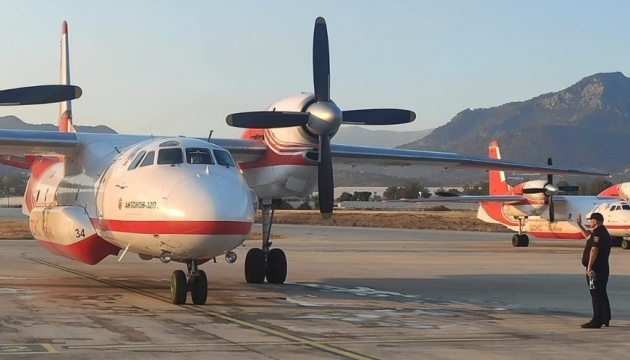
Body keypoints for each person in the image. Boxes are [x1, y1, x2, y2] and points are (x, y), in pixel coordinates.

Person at [576, 212, 612, 328]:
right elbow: (588, 237)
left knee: (595, 294)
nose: (589, 222)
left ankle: (597, 320)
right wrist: (580, 226)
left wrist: (589, 268)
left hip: (595, 271)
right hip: (603, 269)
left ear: (595, 221)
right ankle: (605, 317)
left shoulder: (597, 234)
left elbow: (594, 250)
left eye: (590, 220)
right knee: (601, 293)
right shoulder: (602, 232)